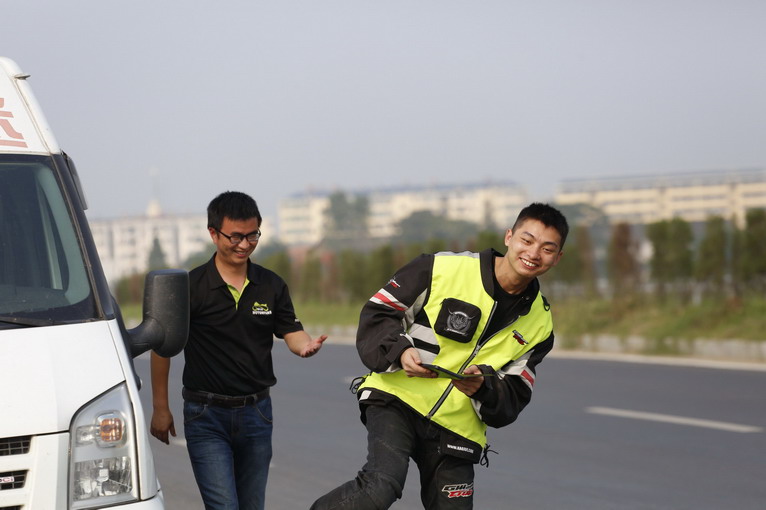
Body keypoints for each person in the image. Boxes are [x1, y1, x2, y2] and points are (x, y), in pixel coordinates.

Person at [311, 202, 568, 510]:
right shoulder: (440, 267)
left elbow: (515, 395)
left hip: (458, 429)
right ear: (509, 237)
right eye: (527, 240)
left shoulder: (541, 323)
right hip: (396, 399)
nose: (534, 253)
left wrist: (484, 387)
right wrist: (400, 351)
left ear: (557, 258)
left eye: (547, 249)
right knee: (380, 487)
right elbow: (379, 313)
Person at [150, 191, 327, 510]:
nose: (244, 244)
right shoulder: (190, 288)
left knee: (251, 505)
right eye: (235, 236)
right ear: (213, 233)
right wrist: (160, 408)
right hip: (206, 416)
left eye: (252, 235)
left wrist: (305, 346)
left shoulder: (271, 285)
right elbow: (162, 349)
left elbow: (291, 330)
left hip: (256, 414)